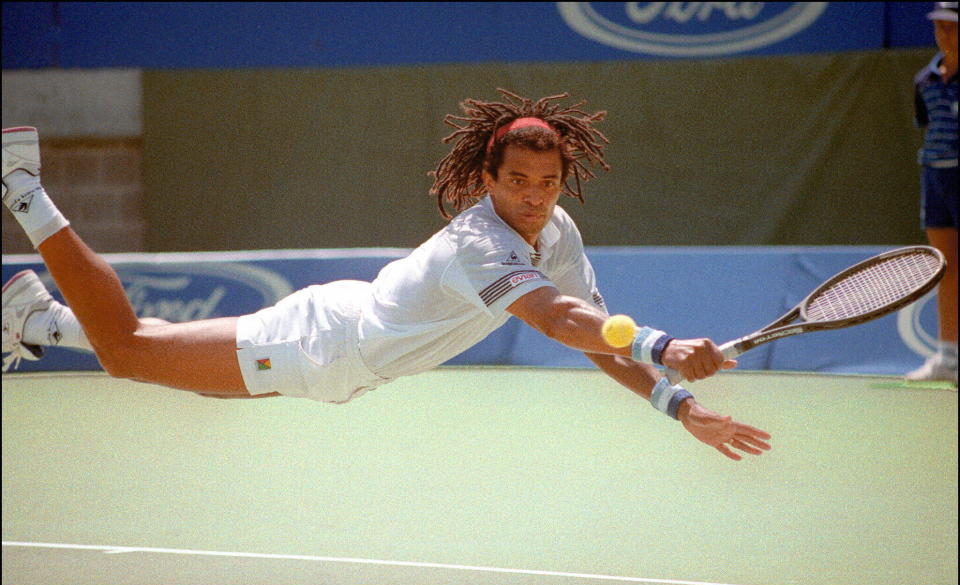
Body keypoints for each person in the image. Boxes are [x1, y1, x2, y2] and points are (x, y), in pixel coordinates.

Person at [2, 89, 771, 461]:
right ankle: (25, 190)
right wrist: (660, 343)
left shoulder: (558, 232)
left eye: (546, 182)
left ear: (562, 181)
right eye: (518, 181)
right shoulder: (482, 240)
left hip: (339, 341)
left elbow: (598, 342)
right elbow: (560, 322)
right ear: (488, 177)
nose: (534, 197)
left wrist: (678, 401)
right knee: (130, 349)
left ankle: (38, 321)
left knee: (186, 372)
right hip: (322, 345)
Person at [907, 2, 958, 385]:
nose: (946, 35)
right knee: (945, 267)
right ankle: (948, 357)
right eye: (940, 27)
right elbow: (926, 126)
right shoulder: (924, 80)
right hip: (936, 179)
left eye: (953, 27)